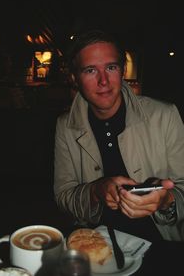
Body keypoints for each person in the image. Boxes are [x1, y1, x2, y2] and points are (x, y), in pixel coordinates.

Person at [53, 29, 184, 241]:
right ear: (74, 78)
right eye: (90, 70)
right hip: (96, 244)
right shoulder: (64, 126)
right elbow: (63, 196)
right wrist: (96, 192)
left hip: (161, 244)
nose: (103, 81)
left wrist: (166, 201)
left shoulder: (165, 115)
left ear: (122, 70)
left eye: (111, 67)